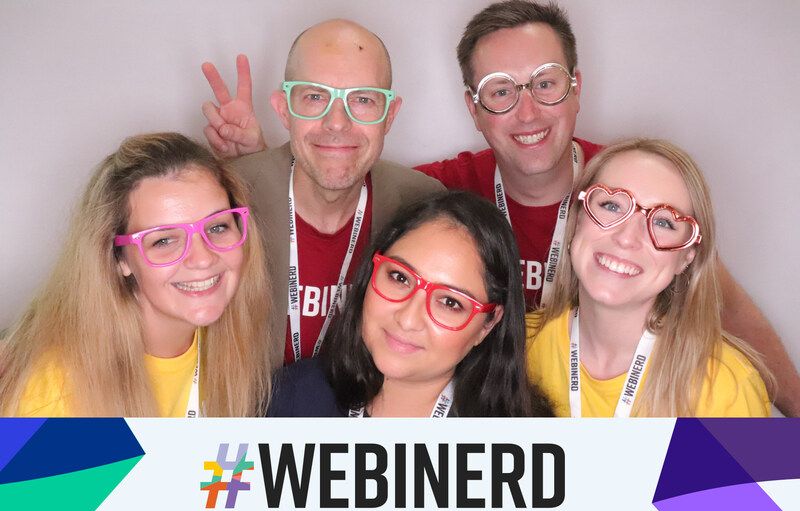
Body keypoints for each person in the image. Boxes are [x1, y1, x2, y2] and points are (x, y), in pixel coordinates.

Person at [200, 1, 800, 417]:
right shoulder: (437, 195)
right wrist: (273, 161)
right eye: (500, 92)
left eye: (544, 83)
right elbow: (342, 170)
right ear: (473, 106)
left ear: (576, 87)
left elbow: (719, 303)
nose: (528, 111)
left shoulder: (626, 187)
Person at [201, 19, 443, 369]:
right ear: (284, 109)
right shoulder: (227, 202)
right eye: (315, 97)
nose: (337, 122)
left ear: (389, 115)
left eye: (362, 99)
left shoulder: (421, 205)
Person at [0, 133, 270, 417]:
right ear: (119, 259)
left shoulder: (229, 338)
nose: (202, 258)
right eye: (163, 241)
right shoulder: (56, 390)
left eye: (217, 227)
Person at [527, 138, 772, 417]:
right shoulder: (516, 348)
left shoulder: (728, 389)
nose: (626, 237)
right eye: (612, 205)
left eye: (663, 222)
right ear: (579, 217)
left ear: (687, 256)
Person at [268, 191, 552, 417]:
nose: (407, 319)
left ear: (487, 325)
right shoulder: (287, 398)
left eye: (450, 302)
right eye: (399, 277)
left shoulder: (527, 452)